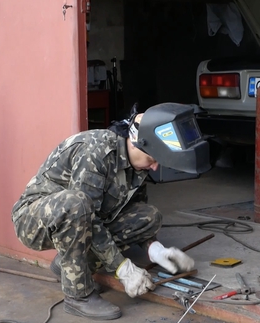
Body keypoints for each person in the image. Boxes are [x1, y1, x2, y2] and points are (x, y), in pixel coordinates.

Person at [11, 102, 211, 320]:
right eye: (153, 160)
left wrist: (155, 248)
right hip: (34, 219)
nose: (155, 167)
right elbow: (88, 218)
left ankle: (68, 266)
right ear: (136, 144)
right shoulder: (96, 152)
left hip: (79, 217)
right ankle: (78, 296)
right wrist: (122, 268)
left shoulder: (138, 165)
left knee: (149, 216)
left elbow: (135, 210)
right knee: (78, 203)